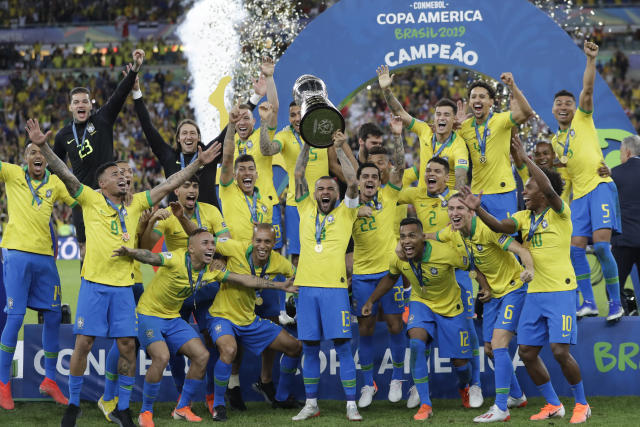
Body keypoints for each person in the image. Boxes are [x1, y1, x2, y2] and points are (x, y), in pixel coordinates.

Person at [25, 118, 221, 427]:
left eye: (124, 175)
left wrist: (198, 163)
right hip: (93, 285)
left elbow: (170, 184)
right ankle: (74, 404)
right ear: (101, 183)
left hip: (124, 289)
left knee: (128, 347)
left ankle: (124, 407)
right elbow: (63, 172)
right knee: (83, 345)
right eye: (115, 175)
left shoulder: (136, 203)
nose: (123, 178)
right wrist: (45, 146)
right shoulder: (89, 198)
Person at [460, 136, 591, 424]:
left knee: (559, 351)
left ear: (545, 193)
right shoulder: (523, 217)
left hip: (560, 291)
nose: (525, 192)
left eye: (529, 188)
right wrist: (477, 208)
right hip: (533, 293)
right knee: (528, 352)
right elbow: (498, 225)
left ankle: (582, 403)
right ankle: (553, 404)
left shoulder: (560, 213)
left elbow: (545, 185)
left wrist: (524, 160)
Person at [427, 194, 533, 422]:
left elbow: (523, 251)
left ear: (471, 212)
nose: (454, 212)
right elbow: (430, 236)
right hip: (492, 295)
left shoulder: (487, 230)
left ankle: (501, 407)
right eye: (451, 208)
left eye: (460, 208)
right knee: (489, 349)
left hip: (513, 289)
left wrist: (529, 270)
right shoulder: (454, 234)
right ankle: (517, 395)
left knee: (499, 344)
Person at [362, 217, 472, 421]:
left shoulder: (445, 253)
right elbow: (391, 277)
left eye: (412, 235)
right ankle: (425, 403)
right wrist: (371, 301)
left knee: (461, 363)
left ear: (423, 237)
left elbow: (470, 265)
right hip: (421, 303)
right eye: (402, 236)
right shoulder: (398, 257)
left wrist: (486, 289)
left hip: (450, 306)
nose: (406, 241)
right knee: (416, 343)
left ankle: (464, 386)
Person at [113, 229, 225, 426]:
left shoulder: (210, 270)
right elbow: (152, 257)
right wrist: (131, 252)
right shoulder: (176, 258)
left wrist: (278, 285)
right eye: (205, 243)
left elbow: (241, 278)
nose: (211, 247)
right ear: (191, 248)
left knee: (202, 355)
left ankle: (182, 408)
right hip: (149, 314)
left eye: (212, 243)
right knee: (162, 356)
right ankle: (145, 412)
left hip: (172, 317)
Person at [397, 156, 483, 407]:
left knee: (467, 327)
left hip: (457, 269)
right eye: (427, 171)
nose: (430, 175)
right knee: (417, 335)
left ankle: (473, 384)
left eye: (436, 171)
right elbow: (391, 191)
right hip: (425, 270)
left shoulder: (459, 199)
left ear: (448, 177)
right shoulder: (417, 194)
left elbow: (470, 226)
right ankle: (417, 386)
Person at [291, 130, 362, 421]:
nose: (324, 192)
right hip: (306, 288)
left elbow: (354, 181)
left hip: (334, 289)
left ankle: (351, 404)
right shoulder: (305, 207)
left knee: (343, 346)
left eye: (330, 189)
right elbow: (297, 173)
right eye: (320, 188)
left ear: (336, 194)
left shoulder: (347, 212)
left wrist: (342, 147)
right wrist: (307, 145)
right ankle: (311, 404)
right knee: (309, 347)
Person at [0, 143, 77, 410]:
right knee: (16, 316)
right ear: (23, 157)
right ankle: (3, 385)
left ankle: (50, 380)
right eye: (32, 151)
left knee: (54, 314)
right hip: (17, 253)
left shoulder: (54, 182)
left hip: (45, 257)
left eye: (42, 153)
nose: (38, 156)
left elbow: (79, 196)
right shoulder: (11, 173)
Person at [550, 41, 623, 322]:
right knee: (574, 249)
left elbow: (588, 90)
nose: (565, 106)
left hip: (599, 186)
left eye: (568, 103)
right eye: (559, 104)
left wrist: (591, 61)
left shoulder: (583, 117)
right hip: (578, 198)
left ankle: (615, 303)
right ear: (554, 111)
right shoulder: (556, 142)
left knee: (602, 247)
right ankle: (588, 302)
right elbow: (565, 179)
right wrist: (563, 209)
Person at [53, 49, 144, 259]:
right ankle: (87, 291)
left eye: (84, 101)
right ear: (70, 107)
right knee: (84, 251)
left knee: (111, 248)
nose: (80, 105)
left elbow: (119, 96)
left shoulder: (102, 119)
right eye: (76, 102)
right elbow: (54, 167)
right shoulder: (62, 135)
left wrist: (135, 70)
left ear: (90, 104)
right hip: (82, 200)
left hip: (108, 197)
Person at [130, 65, 265, 207]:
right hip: (177, 220)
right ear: (178, 139)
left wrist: (256, 97)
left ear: (199, 138)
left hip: (208, 221)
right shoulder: (169, 157)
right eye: (184, 133)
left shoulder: (209, 153)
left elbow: (232, 125)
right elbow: (148, 127)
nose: (189, 137)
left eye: (193, 133)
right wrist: (136, 92)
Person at [208, 224, 300, 421]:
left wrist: (298, 294)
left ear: (274, 244)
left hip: (249, 320)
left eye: (267, 241)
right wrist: (215, 258)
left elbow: (299, 276)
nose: (262, 246)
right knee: (230, 350)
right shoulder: (234, 248)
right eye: (258, 240)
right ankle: (218, 405)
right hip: (222, 316)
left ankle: (281, 396)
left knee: (294, 347)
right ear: (251, 241)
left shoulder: (277, 261)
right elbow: (206, 243)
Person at [351, 114, 405, 408]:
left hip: (389, 273)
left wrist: (396, 135)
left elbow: (399, 167)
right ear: (358, 182)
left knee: (396, 325)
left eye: (374, 176)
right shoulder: (349, 206)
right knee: (366, 328)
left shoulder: (389, 193)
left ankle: (398, 378)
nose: (370, 180)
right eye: (365, 177)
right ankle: (367, 384)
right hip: (361, 275)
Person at [98, 160, 150, 419]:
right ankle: (108, 397)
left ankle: (113, 397)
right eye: (120, 172)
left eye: (129, 172)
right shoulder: (106, 204)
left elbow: (147, 246)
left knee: (132, 342)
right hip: (116, 283)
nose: (126, 176)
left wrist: (147, 224)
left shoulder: (140, 205)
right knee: (124, 340)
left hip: (136, 281)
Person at [377, 64, 469, 191]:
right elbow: (399, 111)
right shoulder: (425, 130)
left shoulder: (458, 145)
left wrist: (456, 201)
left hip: (444, 204)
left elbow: (460, 174)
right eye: (438, 114)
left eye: (447, 115)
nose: (441, 118)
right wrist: (386, 90)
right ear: (434, 117)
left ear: (454, 120)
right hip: (422, 202)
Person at [458, 72, 534, 221]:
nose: (477, 100)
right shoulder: (464, 127)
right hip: (476, 194)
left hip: (503, 192)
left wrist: (512, 86)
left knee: (505, 238)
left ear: (491, 102)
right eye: (473, 97)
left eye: (482, 97)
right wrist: (452, 125)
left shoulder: (501, 120)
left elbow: (527, 112)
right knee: (481, 241)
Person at [228, 59, 282, 249]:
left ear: (254, 122)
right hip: (240, 208)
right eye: (239, 119)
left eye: (247, 118)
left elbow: (274, 107)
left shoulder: (262, 134)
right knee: (244, 251)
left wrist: (269, 78)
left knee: (272, 252)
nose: (242, 123)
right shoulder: (230, 142)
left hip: (266, 202)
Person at [611, 135, 640, 311]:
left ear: (627, 152)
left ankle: (620, 326)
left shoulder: (615, 173)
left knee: (614, 286)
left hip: (623, 241)